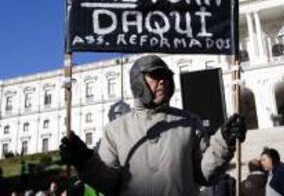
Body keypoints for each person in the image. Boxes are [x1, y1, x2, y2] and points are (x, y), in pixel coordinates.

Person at [60, 54, 246, 196]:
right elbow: (110, 185)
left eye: (166, 76)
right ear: (137, 82)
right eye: (156, 75)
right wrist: (85, 161)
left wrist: (223, 142)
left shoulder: (190, 123)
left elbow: (204, 175)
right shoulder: (114, 130)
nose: (163, 81)